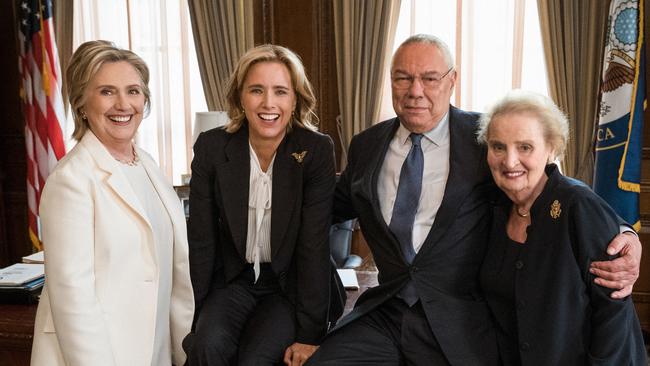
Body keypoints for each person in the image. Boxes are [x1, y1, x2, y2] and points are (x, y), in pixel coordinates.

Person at [307, 34, 642, 366]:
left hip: (459, 321)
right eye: (403, 78)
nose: (415, 91)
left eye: (429, 78)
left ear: (452, 80)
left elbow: (550, 189)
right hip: (385, 311)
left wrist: (625, 233)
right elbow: (325, 209)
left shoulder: (483, 138)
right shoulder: (367, 145)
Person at [30, 40, 194, 366]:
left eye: (133, 91)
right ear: (81, 103)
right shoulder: (71, 180)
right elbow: (72, 296)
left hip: (153, 350)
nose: (123, 104)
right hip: (98, 354)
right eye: (107, 92)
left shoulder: (146, 165)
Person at [184, 44, 336, 366]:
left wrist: (310, 335)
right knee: (206, 347)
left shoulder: (315, 151)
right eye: (257, 90)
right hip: (233, 282)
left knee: (257, 359)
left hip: (287, 287)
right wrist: (192, 316)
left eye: (280, 91)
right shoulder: (212, 147)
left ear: (295, 99)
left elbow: (314, 246)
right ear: (241, 97)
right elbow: (201, 240)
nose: (269, 103)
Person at [476, 90, 647, 365]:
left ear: (551, 149)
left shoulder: (578, 205)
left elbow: (613, 311)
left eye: (525, 147)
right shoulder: (491, 207)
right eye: (498, 146)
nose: (509, 161)